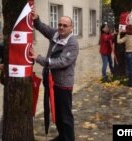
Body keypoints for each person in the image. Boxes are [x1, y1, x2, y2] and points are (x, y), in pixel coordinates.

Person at [30, 9, 79, 141]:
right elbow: (44, 29)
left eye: (65, 26)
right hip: (51, 82)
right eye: (60, 25)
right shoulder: (56, 34)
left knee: (65, 115)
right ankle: (62, 136)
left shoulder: (72, 43)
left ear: (71, 28)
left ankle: (68, 138)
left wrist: (39, 58)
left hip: (63, 85)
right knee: (56, 112)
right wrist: (36, 19)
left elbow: (62, 62)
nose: (61, 28)